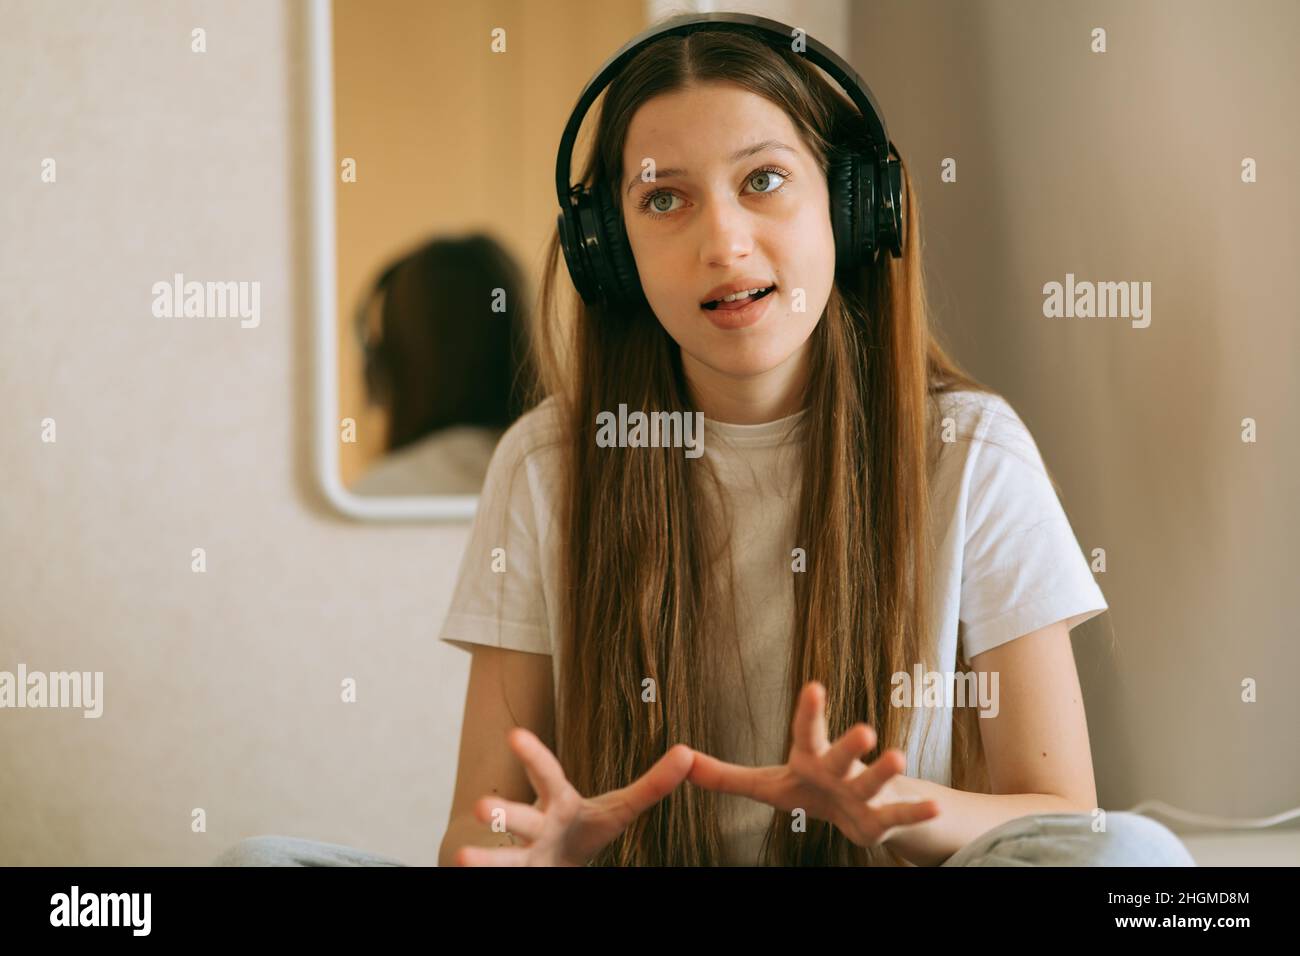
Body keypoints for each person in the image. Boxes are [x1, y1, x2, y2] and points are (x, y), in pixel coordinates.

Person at [213, 13, 1195, 868]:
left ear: (853, 210)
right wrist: (529, 848)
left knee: (1140, 856)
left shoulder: (971, 451)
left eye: (762, 179)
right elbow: (484, 820)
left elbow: (1060, 816)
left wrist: (894, 815)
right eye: (663, 198)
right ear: (611, 251)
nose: (721, 241)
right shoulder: (545, 465)